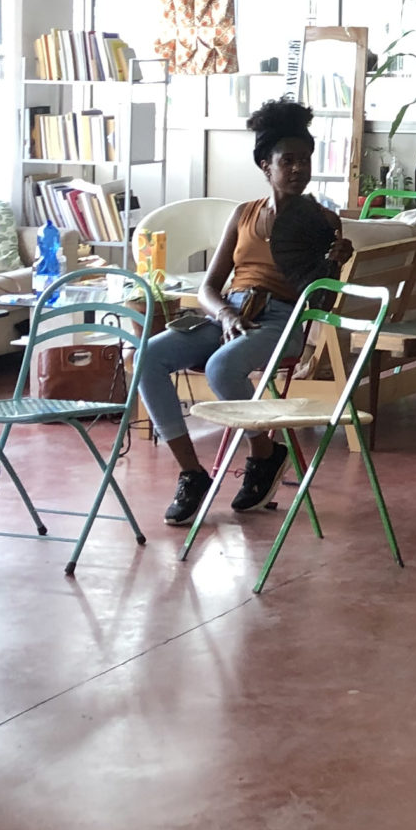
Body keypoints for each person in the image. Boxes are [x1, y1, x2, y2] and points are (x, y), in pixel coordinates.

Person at [134, 98, 344, 527]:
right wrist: (226, 315)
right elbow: (209, 288)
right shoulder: (243, 215)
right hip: (230, 313)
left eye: (305, 160)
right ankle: (192, 473)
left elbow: (323, 301)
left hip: (282, 320)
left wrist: (336, 264)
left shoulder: (323, 221)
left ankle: (263, 455)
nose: (298, 169)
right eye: (288, 161)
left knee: (221, 366)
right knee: (148, 357)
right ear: (266, 166)